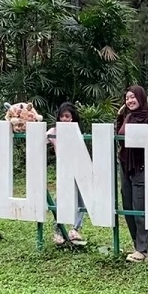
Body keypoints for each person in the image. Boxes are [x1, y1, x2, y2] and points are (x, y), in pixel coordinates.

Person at [115, 86, 148, 262]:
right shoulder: (127, 116)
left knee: (140, 208)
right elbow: (119, 134)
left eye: (133, 97)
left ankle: (142, 249)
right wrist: (121, 116)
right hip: (126, 165)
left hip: (141, 166)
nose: (130, 100)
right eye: (127, 98)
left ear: (141, 98)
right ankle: (138, 247)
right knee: (128, 207)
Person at [47, 102, 86, 247]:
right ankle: (58, 231)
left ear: (73, 118)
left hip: (80, 169)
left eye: (68, 116)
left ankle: (74, 229)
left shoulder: (77, 132)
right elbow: (39, 140)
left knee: (81, 200)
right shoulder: (53, 131)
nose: (65, 119)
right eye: (62, 116)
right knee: (61, 200)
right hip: (63, 170)